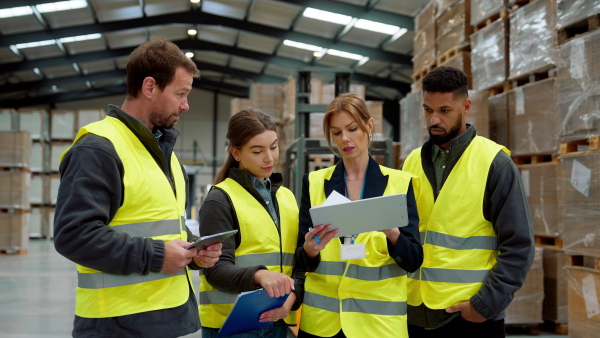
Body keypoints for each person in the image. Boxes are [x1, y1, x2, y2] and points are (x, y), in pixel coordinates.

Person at [53, 37, 222, 338]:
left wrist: (193, 249)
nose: (186, 105)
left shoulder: (165, 156)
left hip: (165, 318)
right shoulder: (99, 148)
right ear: (149, 88)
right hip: (115, 324)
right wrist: (157, 255)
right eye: (180, 94)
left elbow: (160, 226)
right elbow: (73, 235)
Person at [403, 66, 535, 338]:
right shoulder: (412, 161)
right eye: (428, 110)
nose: (434, 120)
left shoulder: (494, 163)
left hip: (471, 319)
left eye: (445, 110)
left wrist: (486, 304)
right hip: (415, 315)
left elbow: (519, 244)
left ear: (466, 107)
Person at [295, 93, 423, 338]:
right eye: (336, 132)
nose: (345, 139)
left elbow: (414, 260)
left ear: (369, 126)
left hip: (377, 326)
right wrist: (310, 249)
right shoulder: (313, 183)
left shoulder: (399, 184)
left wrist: (393, 234)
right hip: (323, 324)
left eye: (352, 129)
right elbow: (300, 261)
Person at [198, 109, 303, 338]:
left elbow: (298, 263)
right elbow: (214, 270)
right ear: (236, 153)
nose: (269, 158)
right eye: (258, 151)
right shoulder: (220, 199)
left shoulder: (287, 198)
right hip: (233, 327)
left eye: (273, 147)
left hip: (279, 321)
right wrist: (261, 275)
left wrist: (290, 302)